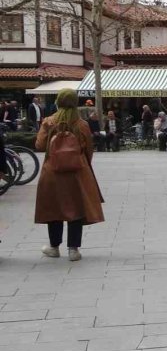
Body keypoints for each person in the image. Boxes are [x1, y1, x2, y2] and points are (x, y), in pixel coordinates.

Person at [33, 88, 104, 262]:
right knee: (76, 209)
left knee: (53, 209)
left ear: (58, 101)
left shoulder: (49, 122)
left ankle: (54, 247)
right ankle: (73, 250)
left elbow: (39, 146)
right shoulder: (81, 124)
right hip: (77, 172)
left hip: (52, 172)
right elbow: (89, 150)